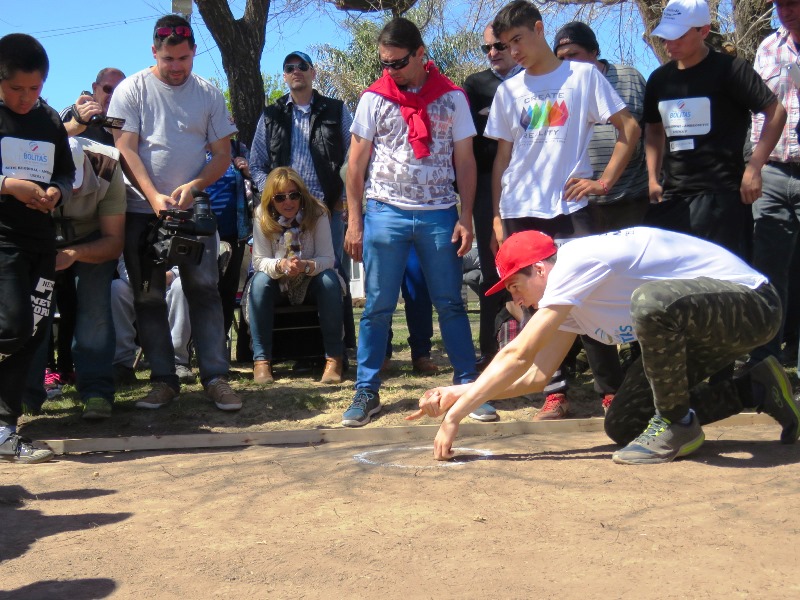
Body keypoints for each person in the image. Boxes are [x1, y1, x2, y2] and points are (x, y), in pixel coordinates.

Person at [409, 228, 800, 465]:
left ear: (541, 269)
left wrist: (457, 415)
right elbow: (536, 375)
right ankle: (756, 388)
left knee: (649, 303)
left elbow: (517, 353)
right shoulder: (568, 303)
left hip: (754, 305)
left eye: (515, 285)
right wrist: (458, 392)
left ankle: (678, 425)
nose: (516, 298)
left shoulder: (575, 261)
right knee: (625, 424)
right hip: (701, 328)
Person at [485, 0, 640, 421]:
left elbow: (629, 128)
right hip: (519, 209)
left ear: (539, 29)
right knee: (533, 303)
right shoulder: (508, 91)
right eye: (506, 44)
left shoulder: (583, 76)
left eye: (518, 39)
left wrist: (603, 181)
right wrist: (497, 215)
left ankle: (611, 392)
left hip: (570, 207)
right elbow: (502, 158)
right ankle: (553, 392)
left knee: (586, 295)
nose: (513, 51)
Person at [343, 17, 484, 426]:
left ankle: (468, 389)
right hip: (385, 211)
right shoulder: (373, 99)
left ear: (421, 54)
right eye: (385, 63)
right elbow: (355, 165)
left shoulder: (453, 98)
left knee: (451, 303)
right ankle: (366, 392)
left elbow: (465, 162)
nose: (391, 71)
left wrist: (465, 216)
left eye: (399, 63)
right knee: (377, 306)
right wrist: (355, 221)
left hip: (439, 212)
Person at [109, 15, 240, 411]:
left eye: (184, 58)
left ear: (194, 51)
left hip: (192, 211)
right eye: (168, 59)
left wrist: (195, 186)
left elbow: (222, 155)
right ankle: (164, 380)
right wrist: (152, 196)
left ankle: (216, 378)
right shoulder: (131, 90)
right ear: (154, 52)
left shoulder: (208, 93)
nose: (177, 66)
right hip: (141, 211)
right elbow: (125, 149)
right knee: (148, 297)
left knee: (204, 292)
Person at [643, 0, 785, 258]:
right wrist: (653, 179)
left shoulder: (731, 69)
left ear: (704, 31)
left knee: (723, 277)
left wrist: (754, 167)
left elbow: (776, 113)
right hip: (673, 198)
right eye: (665, 37)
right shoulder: (658, 79)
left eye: (679, 36)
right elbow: (653, 128)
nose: (670, 44)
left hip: (723, 197)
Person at [0, 33, 74, 464]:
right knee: (10, 326)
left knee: (30, 333)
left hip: (41, 242)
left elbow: (65, 174)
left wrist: (56, 193)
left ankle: (4, 428)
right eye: (16, 89)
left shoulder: (48, 120)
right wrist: (9, 185)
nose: (26, 98)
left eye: (35, 88)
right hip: (3, 241)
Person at [249, 51, 356, 351]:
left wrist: (345, 200)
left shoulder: (336, 110)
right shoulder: (271, 115)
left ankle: (340, 348)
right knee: (280, 274)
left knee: (332, 274)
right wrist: (273, 196)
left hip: (326, 212)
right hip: (282, 214)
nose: (296, 71)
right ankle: (291, 348)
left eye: (302, 66)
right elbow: (256, 164)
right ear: (284, 76)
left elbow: (353, 158)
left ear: (313, 73)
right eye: (290, 67)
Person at [23, 136, 126, 420]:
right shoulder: (27, 164)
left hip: (93, 240)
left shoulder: (108, 165)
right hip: (38, 239)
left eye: (76, 181)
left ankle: (96, 391)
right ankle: (25, 394)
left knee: (95, 311)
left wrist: (74, 253)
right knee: (34, 313)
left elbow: (114, 241)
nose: (73, 190)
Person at [248, 167, 345, 384]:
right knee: (259, 283)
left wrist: (306, 266)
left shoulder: (318, 212)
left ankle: (334, 359)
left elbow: (328, 258)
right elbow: (259, 261)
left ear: (301, 194)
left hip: (310, 277)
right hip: (277, 280)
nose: (288, 202)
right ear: (271, 199)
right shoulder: (261, 214)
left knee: (330, 282)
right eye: (280, 197)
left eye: (293, 195)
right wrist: (281, 265)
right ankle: (262, 361)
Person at [462, 24, 522, 370]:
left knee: (535, 267)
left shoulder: (533, 79)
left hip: (530, 186)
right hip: (488, 185)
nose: (493, 53)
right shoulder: (475, 85)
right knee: (493, 267)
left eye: (498, 45)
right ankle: (490, 350)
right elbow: (470, 142)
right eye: (486, 48)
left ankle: (549, 352)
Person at [552, 21, 649, 231]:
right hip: (581, 204)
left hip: (632, 199)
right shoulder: (555, 90)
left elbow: (651, 131)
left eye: (573, 54)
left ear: (594, 51)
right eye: (561, 58)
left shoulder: (629, 78)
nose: (567, 62)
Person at [748, 0, 800, 369]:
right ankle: (765, 364)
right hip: (773, 171)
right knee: (767, 272)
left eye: (793, 3)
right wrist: (753, 165)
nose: (785, 10)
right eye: (780, 4)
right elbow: (755, 110)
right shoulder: (768, 47)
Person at [60, 67, 126, 146]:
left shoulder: (129, 120)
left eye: (119, 92)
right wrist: (75, 125)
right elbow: (50, 136)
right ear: (95, 88)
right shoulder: (70, 114)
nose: (113, 96)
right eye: (108, 89)